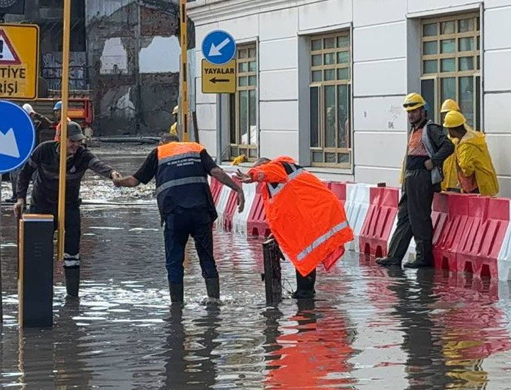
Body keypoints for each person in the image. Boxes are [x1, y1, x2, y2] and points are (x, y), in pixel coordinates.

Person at [113, 133, 245, 305]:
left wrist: (117, 181)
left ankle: (177, 305)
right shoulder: (195, 149)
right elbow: (216, 172)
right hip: (201, 212)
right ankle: (214, 299)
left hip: (174, 214)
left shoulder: (159, 152)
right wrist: (237, 189)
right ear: (178, 141)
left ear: (162, 142)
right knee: (206, 257)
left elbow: (133, 181)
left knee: (174, 261)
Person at [14, 121, 123, 298]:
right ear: (61, 139)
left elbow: (98, 165)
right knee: (38, 250)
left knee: (72, 251)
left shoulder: (82, 155)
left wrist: (112, 174)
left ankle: (72, 296)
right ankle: (37, 295)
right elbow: (25, 174)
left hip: (69, 207)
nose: (76, 145)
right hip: (41, 207)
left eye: (79, 141)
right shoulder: (44, 150)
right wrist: (20, 199)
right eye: (72, 141)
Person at [239, 157, 353, 299]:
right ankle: (305, 292)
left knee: (304, 254)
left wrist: (252, 175)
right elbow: (280, 212)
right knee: (306, 254)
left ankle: (304, 294)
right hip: (317, 212)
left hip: (319, 213)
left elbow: (268, 172)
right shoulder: (281, 180)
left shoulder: (276, 167)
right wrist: (276, 234)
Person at [376, 93, 454, 269]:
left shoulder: (430, 128)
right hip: (410, 177)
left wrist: (433, 161)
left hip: (421, 177)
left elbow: (448, 146)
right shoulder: (414, 129)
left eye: (414, 111)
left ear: (422, 111)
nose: (410, 114)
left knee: (419, 218)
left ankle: (423, 257)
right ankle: (394, 255)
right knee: (404, 216)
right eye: (409, 111)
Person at [443, 111, 499, 196]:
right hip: (485, 182)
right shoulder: (473, 137)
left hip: (477, 186)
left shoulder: (466, 144)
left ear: (452, 129)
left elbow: (466, 168)